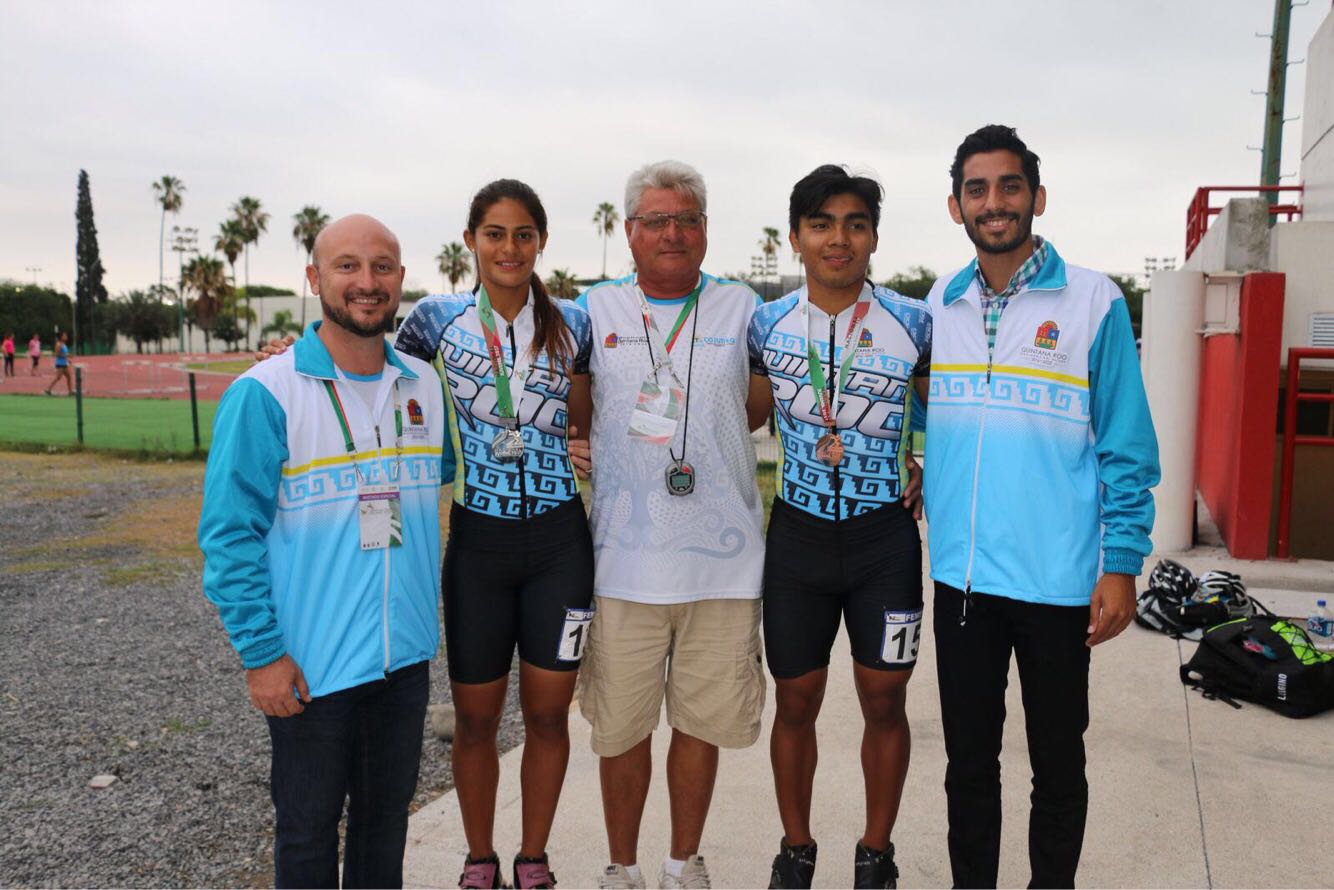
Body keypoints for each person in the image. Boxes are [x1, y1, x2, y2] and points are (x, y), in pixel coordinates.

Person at [923, 125, 1160, 888]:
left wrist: (1120, 564)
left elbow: (1126, 444)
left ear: (1037, 197)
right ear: (957, 206)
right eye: (977, 189)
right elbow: (929, 422)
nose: (995, 203)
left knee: (1058, 763)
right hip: (961, 580)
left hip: (1059, 581)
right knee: (969, 766)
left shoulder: (1094, 301)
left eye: (1009, 186)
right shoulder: (942, 303)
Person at [198, 214, 452, 889]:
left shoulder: (426, 387)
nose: (366, 283)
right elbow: (228, 538)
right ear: (314, 279)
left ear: (400, 280)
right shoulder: (265, 393)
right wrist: (262, 655)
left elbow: (446, 483)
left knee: (384, 828)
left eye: (382, 267)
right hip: (310, 669)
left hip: (403, 660)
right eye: (347, 266)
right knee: (308, 836)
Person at [574, 160, 772, 890]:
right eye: (656, 219)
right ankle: (620, 868)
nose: (672, 232)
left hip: (723, 565)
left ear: (706, 231)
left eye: (687, 219)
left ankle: (682, 863)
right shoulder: (590, 313)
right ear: (628, 231)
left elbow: (764, 402)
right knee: (620, 730)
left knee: (699, 724)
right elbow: (549, 387)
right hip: (623, 564)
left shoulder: (746, 310)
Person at [393, 180, 594, 890]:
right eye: (495, 234)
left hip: (560, 545)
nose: (510, 249)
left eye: (524, 235)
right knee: (475, 722)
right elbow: (376, 379)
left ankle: (533, 857)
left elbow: (593, 414)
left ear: (541, 242)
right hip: (477, 545)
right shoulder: (433, 321)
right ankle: (480, 859)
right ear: (471, 240)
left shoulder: (574, 322)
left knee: (547, 717)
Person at [748, 166, 930, 890]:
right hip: (796, 539)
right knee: (796, 703)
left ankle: (874, 854)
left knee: (885, 699)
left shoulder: (915, 321)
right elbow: (743, 417)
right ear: (796, 238)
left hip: (884, 538)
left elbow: (951, 412)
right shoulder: (766, 322)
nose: (838, 238)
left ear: (874, 237)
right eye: (821, 223)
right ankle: (796, 850)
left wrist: (928, 462)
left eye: (855, 223)